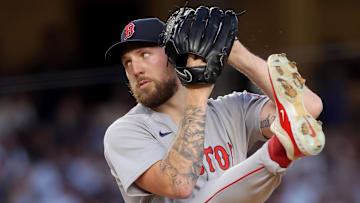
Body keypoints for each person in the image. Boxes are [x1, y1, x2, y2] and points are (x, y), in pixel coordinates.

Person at [103, 6, 325, 203]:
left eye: (144, 54)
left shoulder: (230, 109)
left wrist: (234, 52)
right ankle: (278, 152)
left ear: (174, 56)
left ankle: (282, 146)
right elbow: (178, 185)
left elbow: (309, 108)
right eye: (127, 62)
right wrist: (198, 92)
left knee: (291, 119)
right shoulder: (125, 131)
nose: (135, 69)